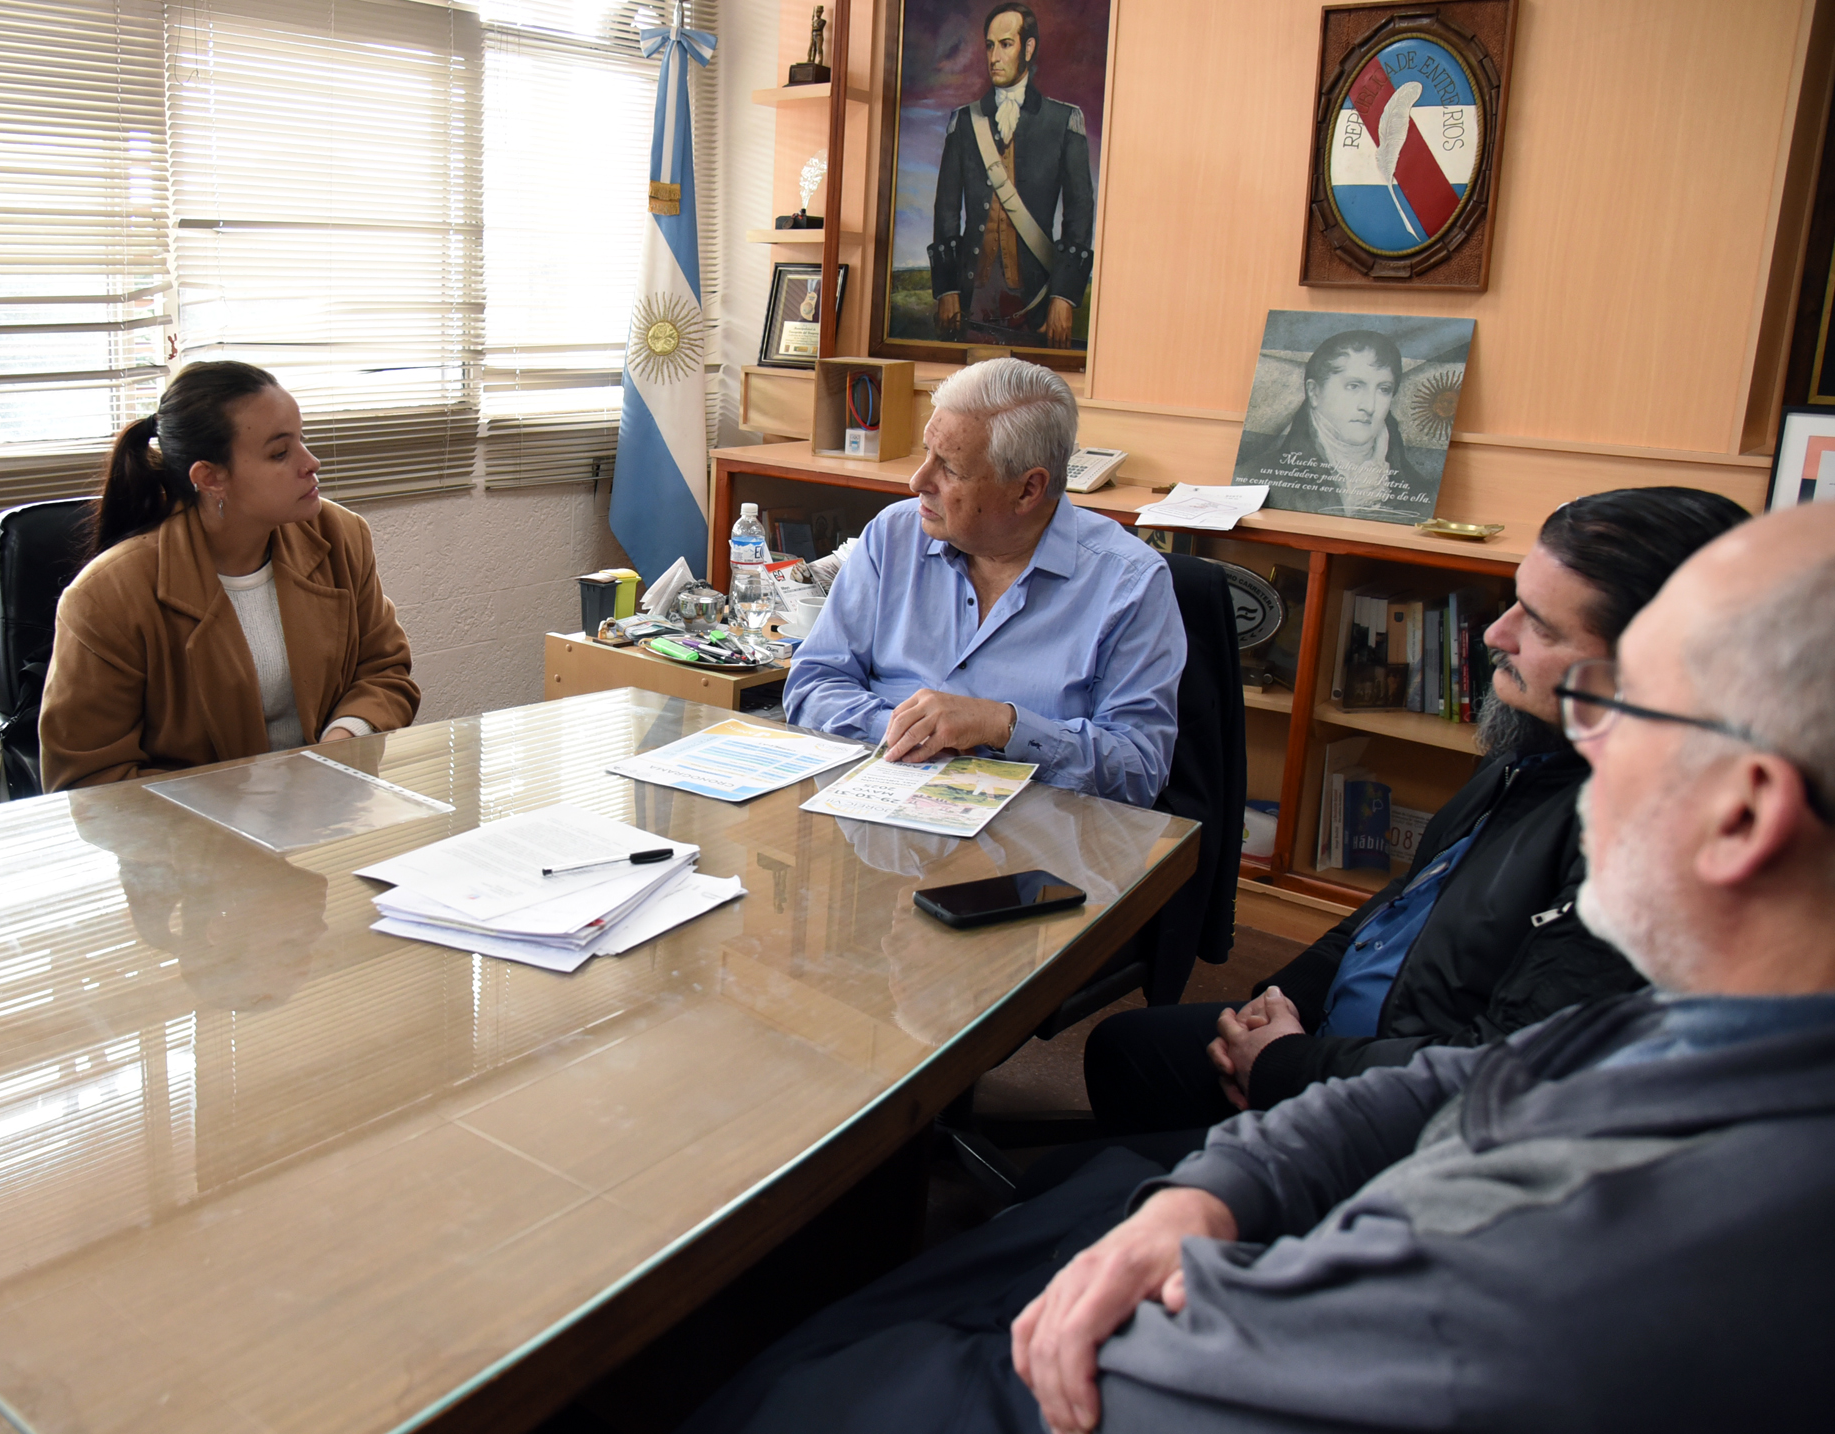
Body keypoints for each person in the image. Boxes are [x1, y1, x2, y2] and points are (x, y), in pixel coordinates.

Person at [681, 501, 1835, 1434]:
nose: (1585, 750)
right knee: (1013, 1219)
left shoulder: (1553, 1281)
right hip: (1303, 1145)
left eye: (1611, 712)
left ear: (1741, 814)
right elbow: (1476, 1070)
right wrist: (1222, 1181)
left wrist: (1279, 1083)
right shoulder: (1707, 1013)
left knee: (792, 1372)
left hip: (1203, 1329)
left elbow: (1140, 1383)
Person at [1085, 486, 1752, 1139]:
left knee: (1081, 1186)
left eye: (1540, 624)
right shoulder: (1537, 744)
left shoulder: (1646, 854)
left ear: (1648, 668)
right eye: (1515, 602)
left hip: (1404, 1107)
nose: (1496, 633)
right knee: (1127, 1051)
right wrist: (1285, 995)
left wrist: (1286, 1066)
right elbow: (1403, 902)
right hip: (1348, 1038)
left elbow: (1502, 1075)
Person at [784, 358, 1181, 806]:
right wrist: (912, 735)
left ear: (1027, 490)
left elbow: (1138, 769)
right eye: (925, 452)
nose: (917, 481)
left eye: (950, 468)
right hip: (877, 803)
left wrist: (1004, 727)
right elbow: (813, 684)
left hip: (1033, 831)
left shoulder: (1130, 583)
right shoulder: (893, 536)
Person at [39, 360, 417, 791]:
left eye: (303, 440)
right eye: (280, 453)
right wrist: (250, 803)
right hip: (190, 829)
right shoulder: (107, 595)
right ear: (210, 478)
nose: (311, 462)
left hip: (328, 805)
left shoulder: (340, 535)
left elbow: (384, 670)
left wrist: (339, 745)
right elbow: (89, 781)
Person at [930, 3, 1095, 347]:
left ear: (1028, 48)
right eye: (990, 45)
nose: (994, 56)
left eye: (1006, 44)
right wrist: (947, 289)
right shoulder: (964, 122)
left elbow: (1079, 215)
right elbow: (946, 211)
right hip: (973, 300)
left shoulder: (1064, 122)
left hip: (1037, 300)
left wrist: (1063, 297)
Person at [1236, 329, 1434, 521]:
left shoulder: (1421, 493)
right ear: (1314, 392)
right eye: (1354, 386)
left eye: (1384, 389)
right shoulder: (1250, 479)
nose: (1369, 406)